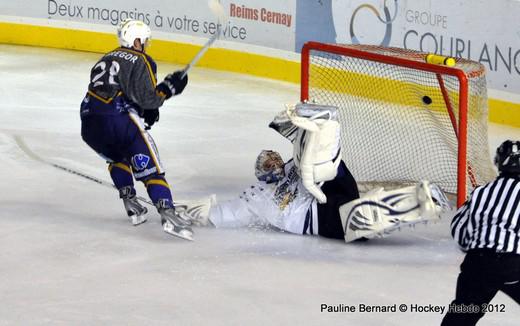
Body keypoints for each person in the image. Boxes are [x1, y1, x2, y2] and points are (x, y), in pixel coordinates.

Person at [187, 103, 449, 242]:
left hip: (328, 192)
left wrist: (310, 146)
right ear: (260, 175)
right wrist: (195, 213)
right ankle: (419, 203)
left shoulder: (292, 166)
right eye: (268, 164)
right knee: (359, 220)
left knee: (319, 162)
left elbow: (309, 165)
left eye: (274, 157)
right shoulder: (255, 197)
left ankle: (326, 121)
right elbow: (226, 214)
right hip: (316, 219)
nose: (275, 162)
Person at [80, 19, 192, 240]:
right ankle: (168, 214)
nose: (146, 45)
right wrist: (169, 88)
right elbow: (149, 99)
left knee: (117, 157)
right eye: (145, 41)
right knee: (151, 169)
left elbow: (115, 91)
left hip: (89, 122)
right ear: (136, 40)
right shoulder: (142, 59)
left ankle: (131, 204)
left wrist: (143, 109)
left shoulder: (106, 57)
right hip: (118, 119)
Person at [441, 140, 520, 326]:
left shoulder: (480, 192)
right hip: (512, 265)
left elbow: (459, 231)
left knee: (462, 314)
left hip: (477, 262)